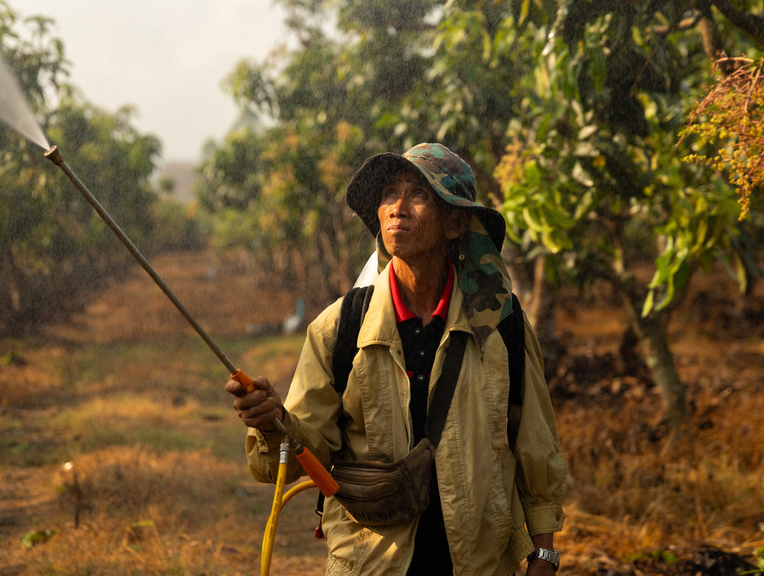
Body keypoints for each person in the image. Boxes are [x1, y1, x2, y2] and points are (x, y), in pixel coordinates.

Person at [227, 143, 567, 575]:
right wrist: (272, 421)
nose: (397, 209)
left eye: (419, 195)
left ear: (456, 221)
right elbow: (303, 453)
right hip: (372, 565)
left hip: (478, 564)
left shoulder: (501, 327)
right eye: (390, 193)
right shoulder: (340, 327)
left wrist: (544, 552)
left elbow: (535, 445)